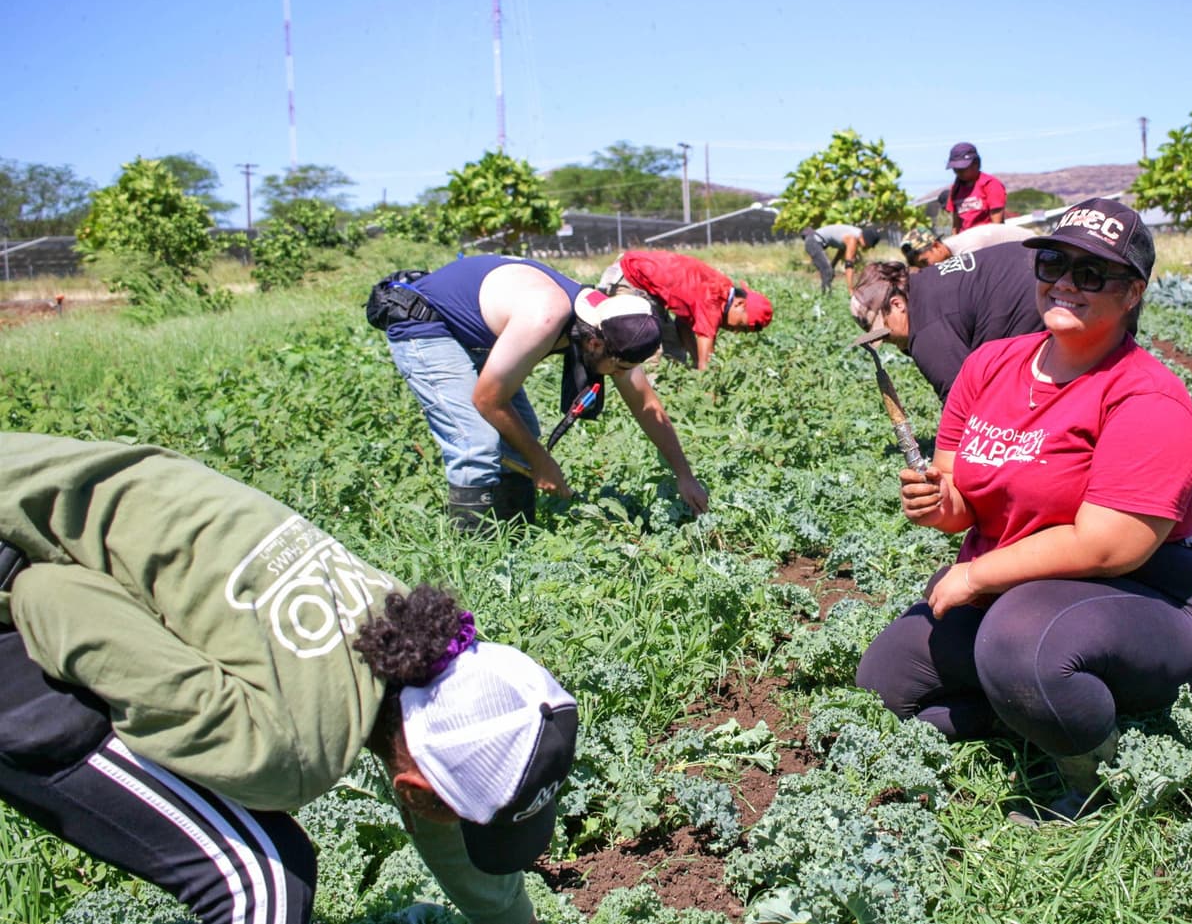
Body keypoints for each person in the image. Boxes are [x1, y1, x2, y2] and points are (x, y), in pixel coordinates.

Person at [0, 433, 578, 924]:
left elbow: (441, 815)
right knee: (263, 884)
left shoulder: (403, 625)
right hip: (25, 567)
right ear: (415, 794)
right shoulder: (287, 750)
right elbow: (49, 595)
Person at [855, 198, 1192, 823]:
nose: (1064, 283)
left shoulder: (1145, 396)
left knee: (1021, 641)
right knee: (885, 683)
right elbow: (961, 490)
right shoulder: (991, 364)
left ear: (1132, 292)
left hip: (1143, 594)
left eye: (1091, 274)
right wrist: (940, 503)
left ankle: (1100, 779)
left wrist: (974, 574)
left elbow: (1109, 546)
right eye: (1053, 262)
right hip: (1019, 585)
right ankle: (1029, 714)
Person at [375, 255, 709, 531]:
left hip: (474, 332)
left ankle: (512, 546)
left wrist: (684, 475)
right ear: (594, 343)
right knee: (476, 443)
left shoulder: (609, 323)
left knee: (522, 438)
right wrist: (542, 462)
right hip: (426, 324)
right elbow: (487, 400)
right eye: (619, 369)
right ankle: (474, 562)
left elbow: (646, 404)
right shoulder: (546, 317)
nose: (621, 377)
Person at [849, 244, 1044, 402]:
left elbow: (961, 404)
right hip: (1037, 261)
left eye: (885, 332)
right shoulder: (923, 283)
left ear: (897, 304)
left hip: (1031, 294)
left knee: (1009, 395)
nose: (888, 340)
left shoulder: (927, 334)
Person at [596, 249, 773, 370]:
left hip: (647, 290)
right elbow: (707, 361)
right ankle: (650, 408)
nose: (735, 331)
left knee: (674, 348)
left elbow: (683, 325)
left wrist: (695, 361)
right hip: (629, 279)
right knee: (648, 349)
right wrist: (708, 387)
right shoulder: (714, 298)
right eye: (740, 326)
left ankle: (674, 394)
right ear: (739, 304)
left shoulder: (718, 289)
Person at [900, 222, 1036, 268]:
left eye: (925, 262)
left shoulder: (967, 251)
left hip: (1035, 251)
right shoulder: (955, 250)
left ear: (936, 246)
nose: (927, 268)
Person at [944, 142, 1007, 235]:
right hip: (965, 242)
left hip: (987, 239)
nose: (958, 172)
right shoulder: (955, 189)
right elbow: (956, 224)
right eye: (955, 169)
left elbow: (997, 224)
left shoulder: (990, 184)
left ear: (976, 164)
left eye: (962, 168)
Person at [801, 224, 881, 293]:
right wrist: (851, 290)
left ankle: (826, 295)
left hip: (813, 240)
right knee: (827, 271)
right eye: (869, 246)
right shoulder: (852, 239)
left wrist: (833, 266)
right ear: (867, 241)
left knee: (829, 271)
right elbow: (849, 265)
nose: (868, 248)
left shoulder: (855, 233)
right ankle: (826, 298)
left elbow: (841, 252)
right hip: (812, 241)